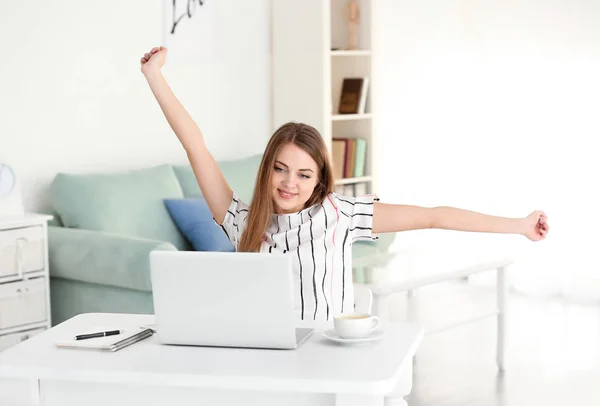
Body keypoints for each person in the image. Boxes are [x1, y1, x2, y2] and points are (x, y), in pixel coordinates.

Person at [140, 46, 550, 321]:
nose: (288, 183)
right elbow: (194, 144)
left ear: (319, 182)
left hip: (327, 361)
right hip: (265, 361)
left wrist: (519, 224)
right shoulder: (244, 222)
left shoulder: (341, 214)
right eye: (280, 169)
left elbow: (434, 216)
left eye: (304, 175)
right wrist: (154, 75)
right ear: (266, 170)